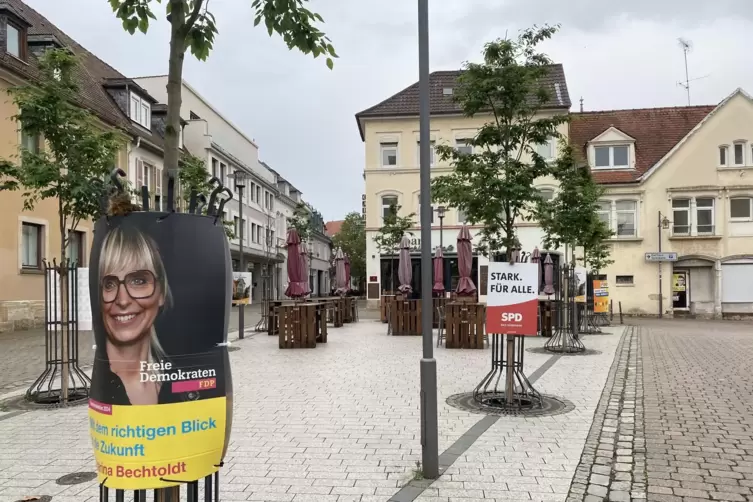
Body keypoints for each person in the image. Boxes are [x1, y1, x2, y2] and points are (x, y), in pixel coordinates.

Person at [98, 225, 172, 405]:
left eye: (138, 281)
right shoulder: (104, 387)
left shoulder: (175, 380)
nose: (122, 300)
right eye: (109, 284)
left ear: (161, 293)